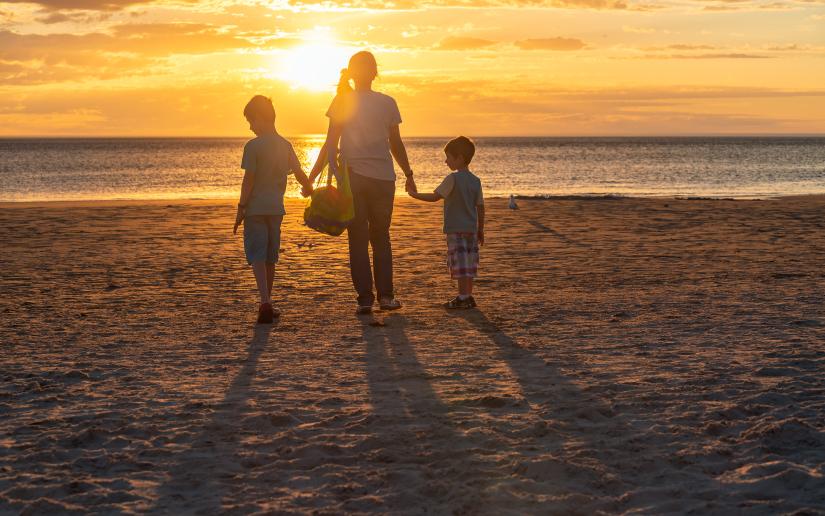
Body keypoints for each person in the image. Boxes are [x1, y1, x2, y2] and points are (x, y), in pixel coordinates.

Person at [309, 50, 417, 315]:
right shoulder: (388, 102)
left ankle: (365, 300)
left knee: (357, 238)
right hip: (383, 178)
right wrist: (409, 173)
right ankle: (387, 297)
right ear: (375, 72)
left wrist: (313, 177)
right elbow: (396, 144)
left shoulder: (342, 101)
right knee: (381, 237)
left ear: (352, 72)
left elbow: (330, 145)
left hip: (354, 178)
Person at [234, 95, 313, 324]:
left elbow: (248, 181)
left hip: (255, 209)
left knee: (258, 254)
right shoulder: (285, 145)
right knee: (270, 256)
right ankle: (267, 301)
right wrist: (310, 190)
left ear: (260, 118)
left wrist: (241, 208)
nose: (250, 126)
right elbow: (299, 173)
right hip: (276, 209)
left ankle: (265, 301)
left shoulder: (253, 146)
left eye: (251, 121)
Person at [408, 136, 484, 309]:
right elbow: (480, 206)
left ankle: (463, 297)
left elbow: (435, 196)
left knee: (460, 263)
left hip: (456, 229)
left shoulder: (453, 178)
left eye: (449, 157)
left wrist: (414, 195)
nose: (446, 161)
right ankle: (468, 295)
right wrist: (481, 229)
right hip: (471, 229)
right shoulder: (475, 181)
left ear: (460, 158)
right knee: (469, 262)